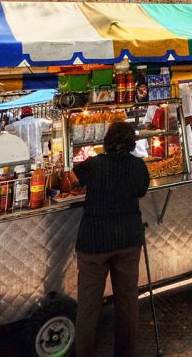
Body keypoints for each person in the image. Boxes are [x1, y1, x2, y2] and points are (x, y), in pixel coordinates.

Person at [69, 122, 149, 356]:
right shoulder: (138, 166)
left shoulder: (94, 164)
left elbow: (71, 179)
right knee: (127, 302)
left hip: (95, 242)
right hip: (128, 239)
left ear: (107, 141)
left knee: (89, 305)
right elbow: (141, 191)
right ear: (132, 143)